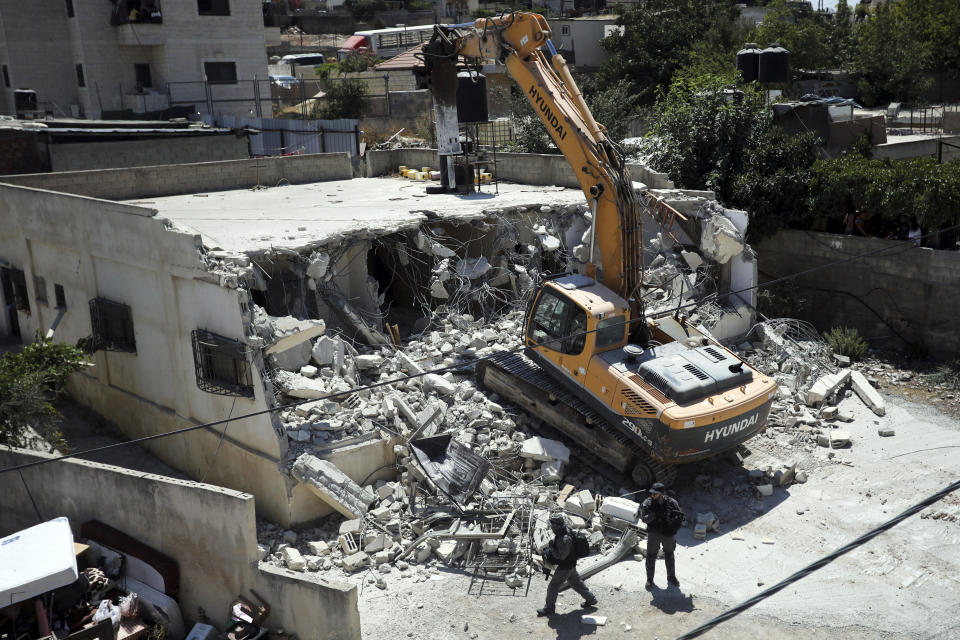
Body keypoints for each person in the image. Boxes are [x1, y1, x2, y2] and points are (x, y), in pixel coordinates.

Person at [537, 512, 597, 617]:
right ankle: (591, 599)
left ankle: (549, 609)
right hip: (571, 565)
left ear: (556, 525)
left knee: (553, 587)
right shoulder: (566, 530)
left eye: (552, 525)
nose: (551, 527)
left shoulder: (564, 538)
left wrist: (551, 548)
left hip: (565, 567)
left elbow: (562, 556)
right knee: (576, 583)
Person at [640, 482, 684, 590]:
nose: (652, 495)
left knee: (669, 554)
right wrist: (654, 515)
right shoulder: (648, 503)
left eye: (655, 494)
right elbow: (644, 518)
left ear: (661, 494)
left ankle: (671, 577)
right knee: (651, 555)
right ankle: (650, 580)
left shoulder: (671, 503)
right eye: (652, 493)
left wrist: (674, 525)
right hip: (654, 532)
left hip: (667, 532)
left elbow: (679, 516)